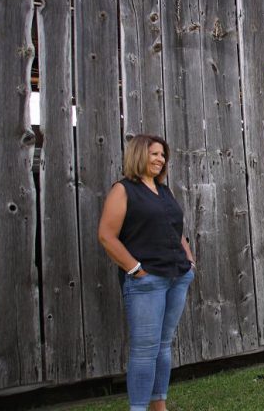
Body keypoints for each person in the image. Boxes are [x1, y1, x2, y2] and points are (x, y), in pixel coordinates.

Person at [98, 134, 196, 411]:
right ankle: (138, 408)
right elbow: (107, 235)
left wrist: (189, 260)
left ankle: (158, 406)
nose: (160, 159)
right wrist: (135, 269)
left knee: (164, 346)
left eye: (163, 155)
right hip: (146, 281)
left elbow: (175, 230)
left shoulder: (164, 191)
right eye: (154, 154)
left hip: (177, 277)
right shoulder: (124, 189)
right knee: (144, 350)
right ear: (139, 155)